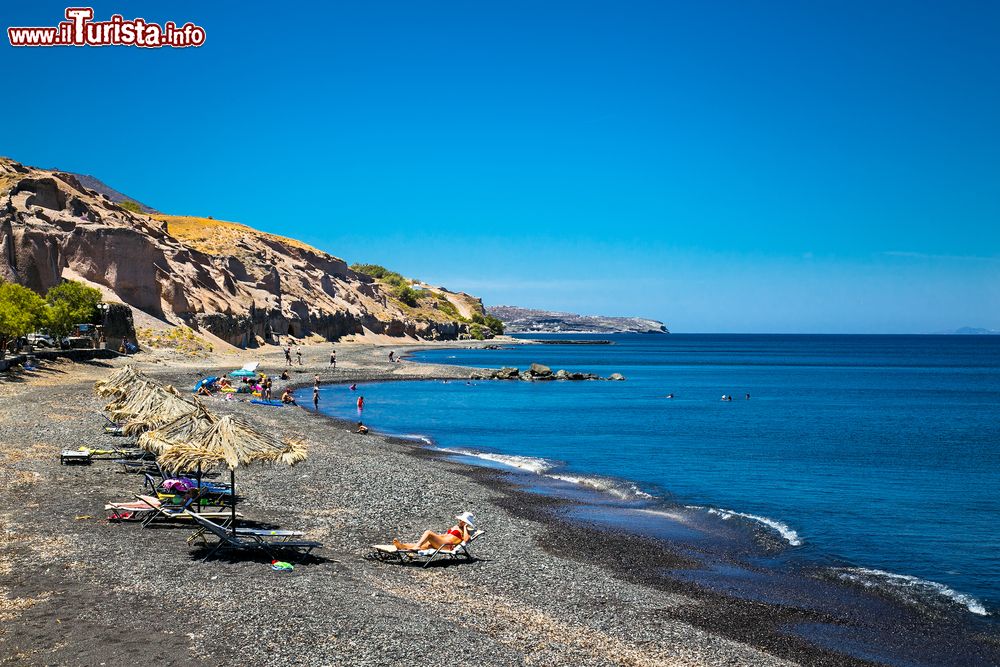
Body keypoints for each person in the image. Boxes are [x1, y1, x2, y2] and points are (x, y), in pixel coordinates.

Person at [392, 512, 476, 552]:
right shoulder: (455, 527)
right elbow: (446, 535)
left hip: (447, 546)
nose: (461, 522)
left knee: (428, 532)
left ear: (467, 523)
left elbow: (466, 540)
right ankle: (402, 546)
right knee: (424, 544)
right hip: (441, 542)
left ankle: (416, 547)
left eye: (464, 521)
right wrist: (436, 537)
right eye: (461, 520)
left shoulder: (466, 531)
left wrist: (465, 527)